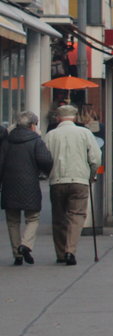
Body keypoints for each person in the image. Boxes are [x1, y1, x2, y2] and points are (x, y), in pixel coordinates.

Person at [43, 105, 102, 265]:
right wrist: (91, 174)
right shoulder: (85, 133)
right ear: (75, 118)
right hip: (80, 180)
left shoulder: (50, 135)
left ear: (57, 118)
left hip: (57, 180)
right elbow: (96, 157)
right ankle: (70, 250)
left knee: (59, 217)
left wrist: (49, 173)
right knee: (76, 216)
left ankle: (61, 253)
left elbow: (44, 159)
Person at [0, 112, 53, 265]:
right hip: (30, 183)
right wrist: (46, 172)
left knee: (12, 221)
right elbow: (45, 160)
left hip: (9, 185)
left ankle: (17, 254)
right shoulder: (36, 141)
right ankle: (26, 244)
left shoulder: (6, 141)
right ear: (32, 125)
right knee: (33, 218)